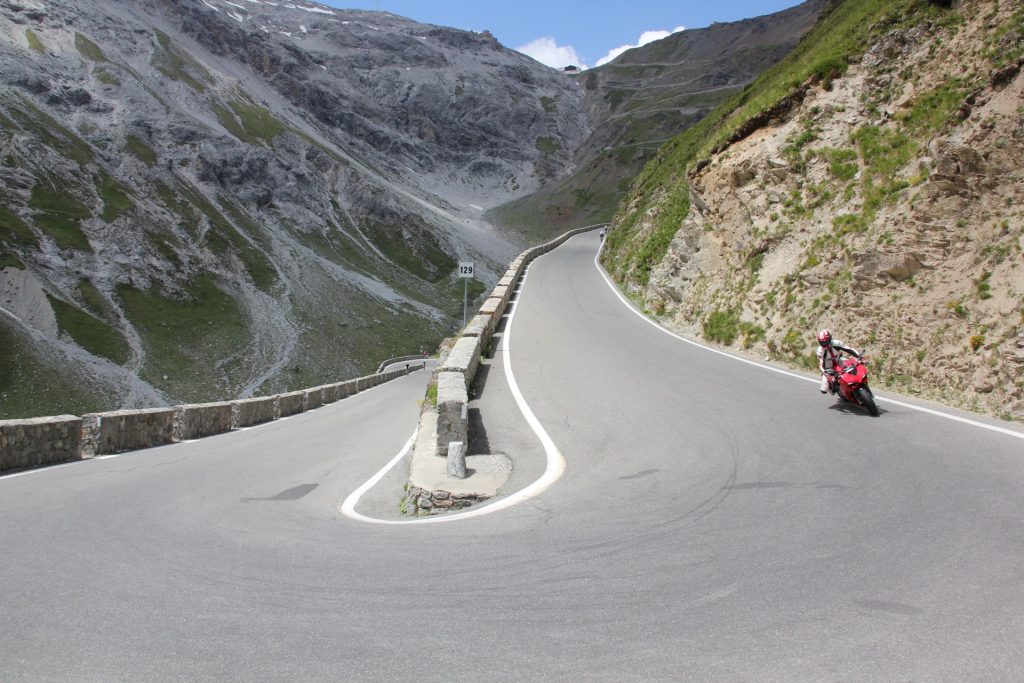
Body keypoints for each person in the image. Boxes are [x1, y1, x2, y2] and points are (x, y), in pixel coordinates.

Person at [816, 329, 862, 394]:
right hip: (829, 369)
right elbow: (820, 365)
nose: (825, 344)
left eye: (826, 341)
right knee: (824, 390)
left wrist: (860, 356)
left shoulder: (837, 343)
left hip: (839, 361)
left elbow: (849, 349)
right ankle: (835, 388)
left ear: (830, 338)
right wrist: (827, 375)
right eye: (822, 343)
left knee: (853, 364)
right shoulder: (820, 351)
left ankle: (859, 381)